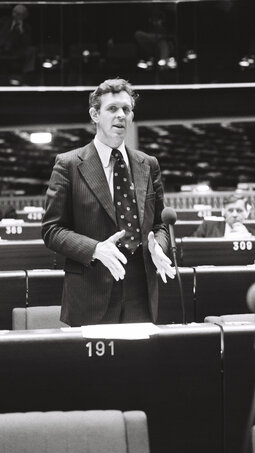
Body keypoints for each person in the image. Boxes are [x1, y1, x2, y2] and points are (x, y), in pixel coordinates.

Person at [41, 77, 175, 327]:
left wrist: (158, 246)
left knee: (141, 365)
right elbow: (52, 230)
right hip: (91, 289)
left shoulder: (149, 164)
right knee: (94, 368)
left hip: (141, 290)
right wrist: (95, 249)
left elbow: (160, 224)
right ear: (95, 114)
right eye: (112, 109)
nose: (121, 115)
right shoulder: (69, 164)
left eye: (126, 109)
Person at [0, 4, 35, 85]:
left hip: (15, 53)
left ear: (24, 16)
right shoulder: (4, 20)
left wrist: (21, 30)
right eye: (15, 13)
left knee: (31, 51)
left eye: (19, 14)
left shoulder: (26, 27)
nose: (16, 15)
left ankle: (21, 79)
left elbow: (26, 44)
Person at [191, 194, 255, 238]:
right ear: (223, 212)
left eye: (239, 211)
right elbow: (190, 247)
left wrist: (249, 238)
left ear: (247, 213)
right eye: (230, 210)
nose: (234, 215)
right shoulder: (208, 227)